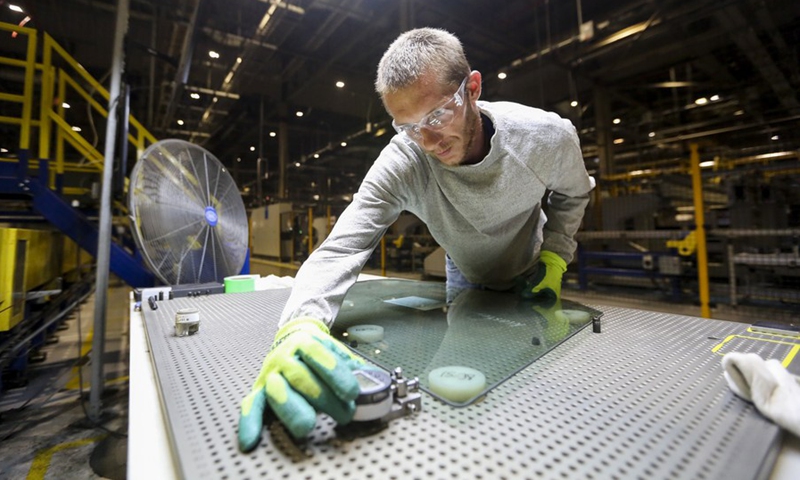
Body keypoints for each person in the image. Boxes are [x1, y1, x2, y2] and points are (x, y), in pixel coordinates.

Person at [237, 27, 595, 451]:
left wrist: (555, 258)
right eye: (407, 127)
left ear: (472, 89)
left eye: (437, 116)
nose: (427, 142)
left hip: (533, 271)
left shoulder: (545, 138)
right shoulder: (405, 162)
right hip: (464, 271)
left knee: (530, 382)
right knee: (467, 384)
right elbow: (341, 248)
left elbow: (574, 194)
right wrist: (300, 325)